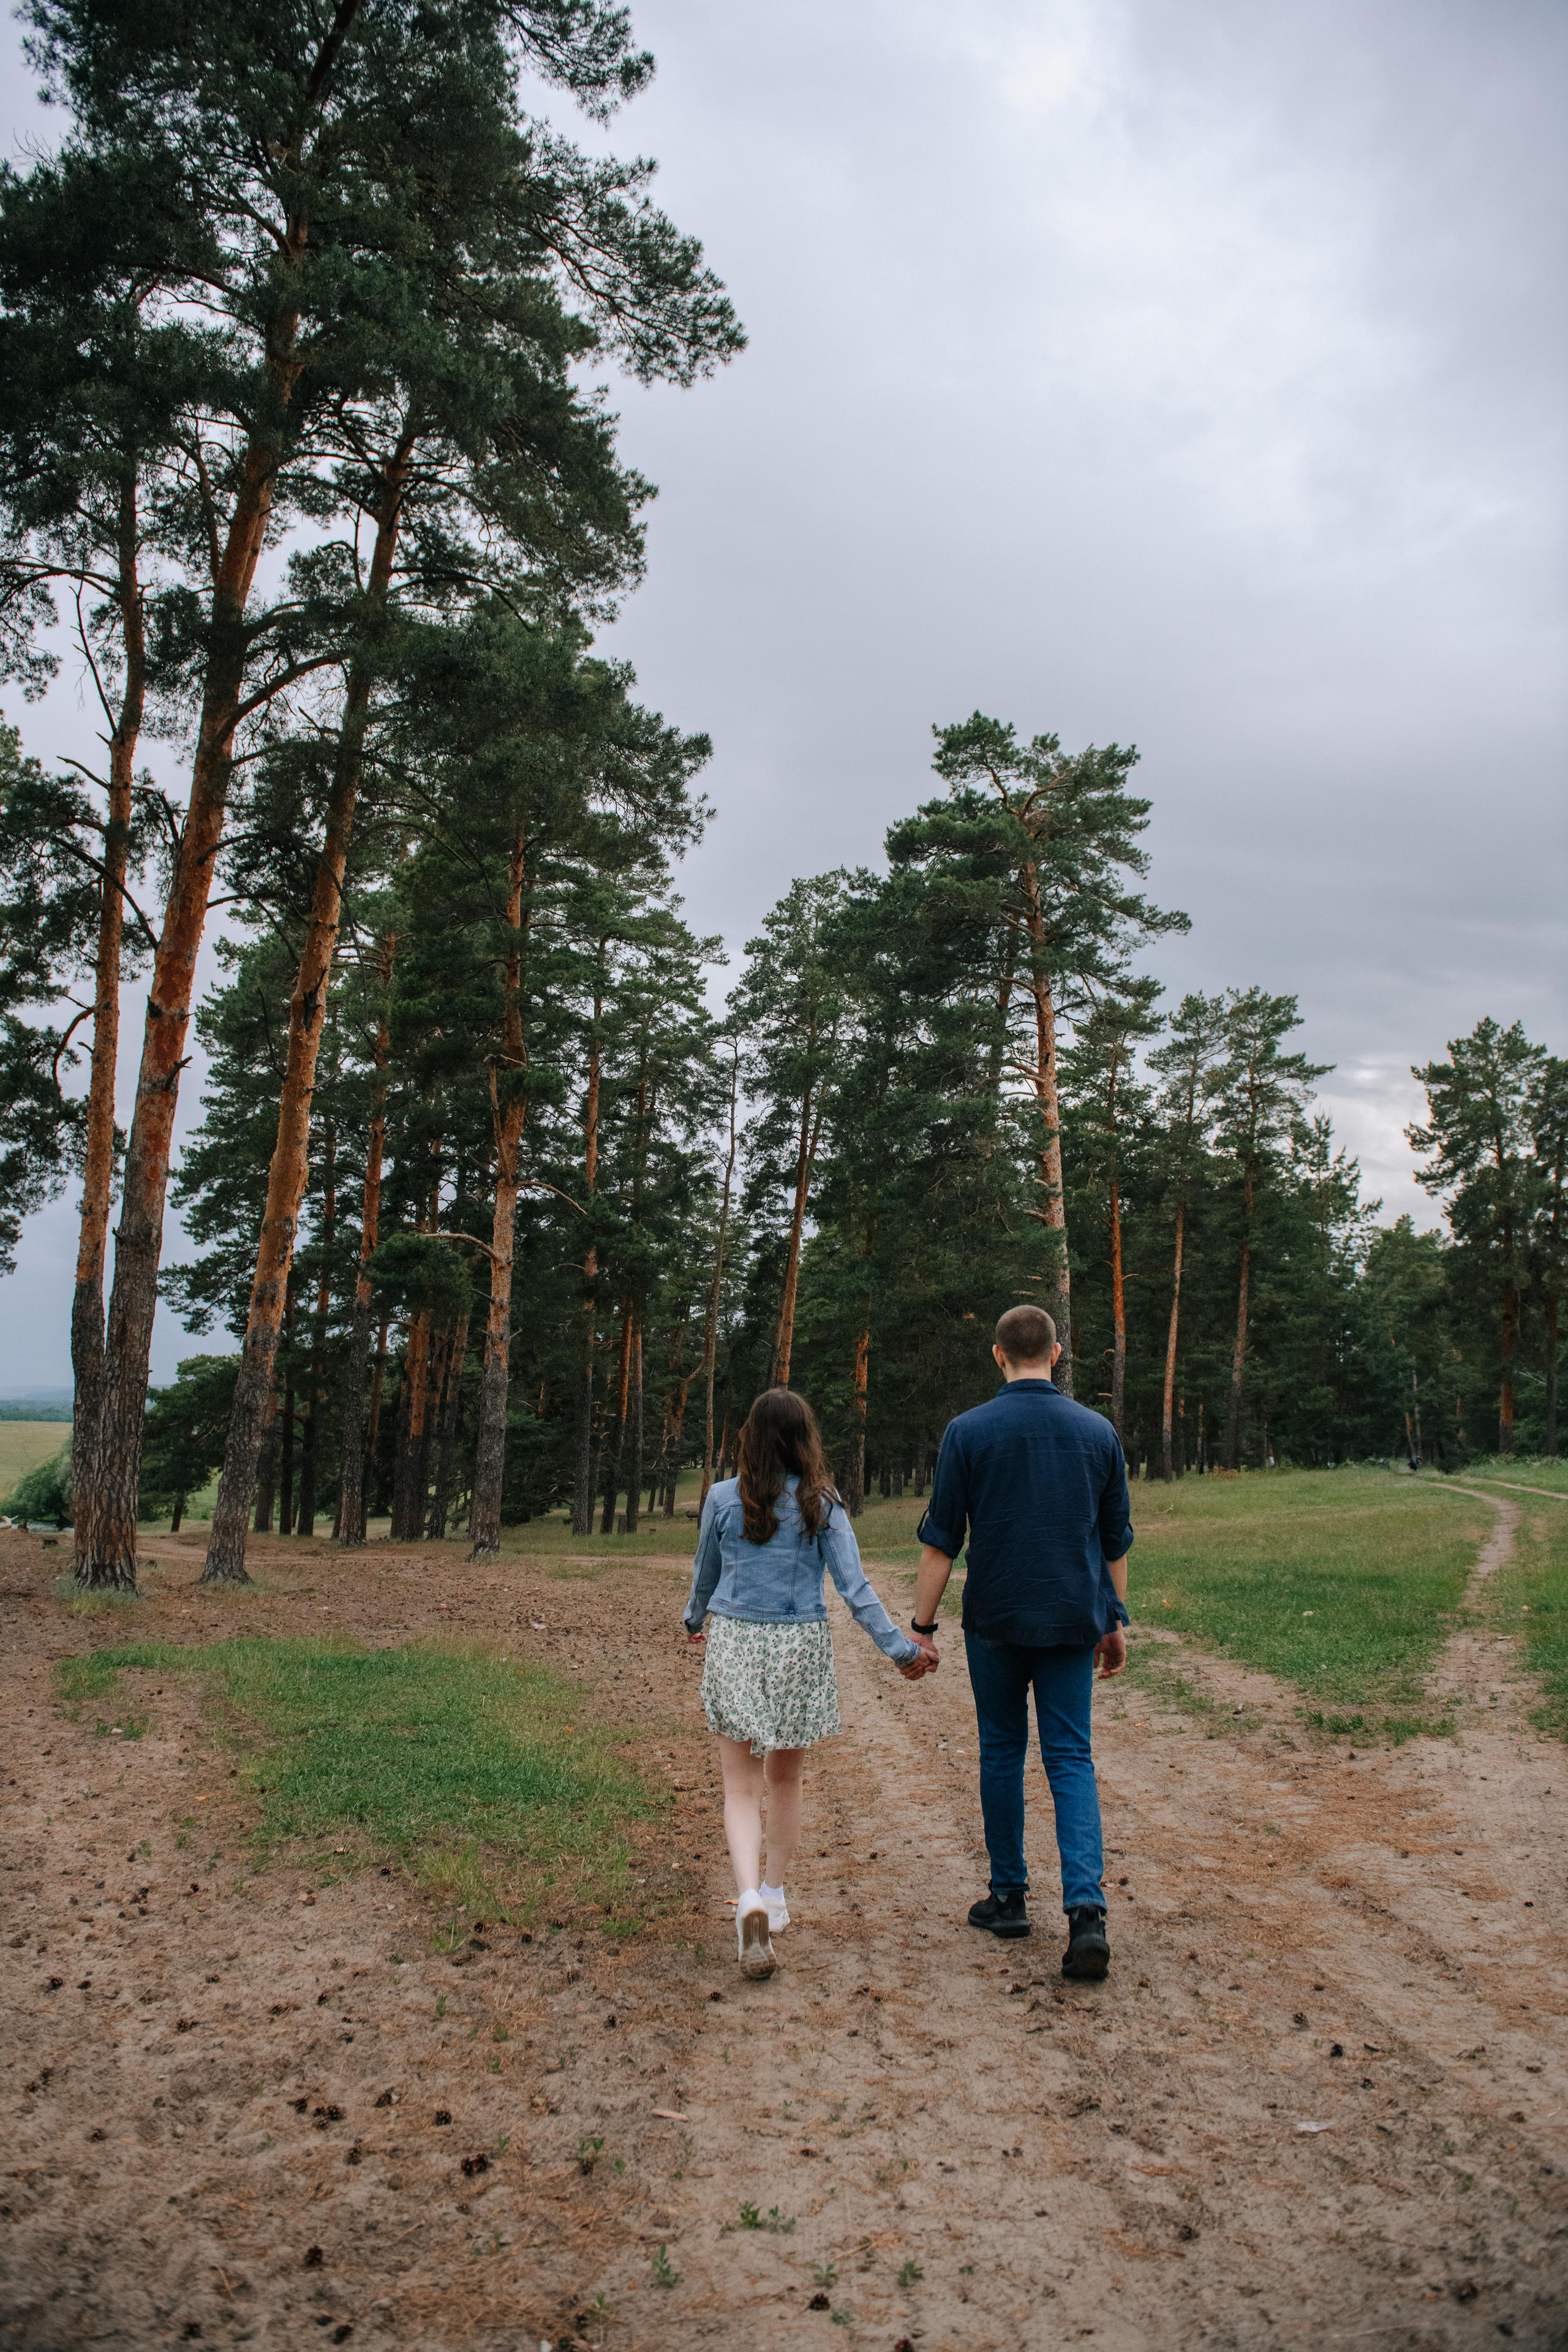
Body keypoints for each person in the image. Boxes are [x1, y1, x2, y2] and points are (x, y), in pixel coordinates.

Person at [908, 1303, 1132, 1980]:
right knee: (1070, 1758)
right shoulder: (1097, 1431)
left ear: (998, 1355)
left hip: (997, 1619)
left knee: (1002, 1750)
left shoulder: (967, 1432)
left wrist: (921, 1629)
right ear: (1056, 1353)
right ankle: (1085, 1912)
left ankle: (1007, 1897)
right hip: (1072, 1618)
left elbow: (940, 1541)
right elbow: (1114, 1539)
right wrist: (1113, 1618)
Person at [684, 1386, 929, 1980]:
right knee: (785, 1779)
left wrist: (695, 1621)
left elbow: (703, 1577)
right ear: (804, 1440)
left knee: (739, 1788)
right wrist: (902, 1651)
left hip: (737, 1642)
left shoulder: (721, 1498)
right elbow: (855, 1589)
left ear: (749, 1437)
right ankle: (773, 1895)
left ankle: (745, 1898)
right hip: (798, 1647)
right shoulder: (824, 1503)